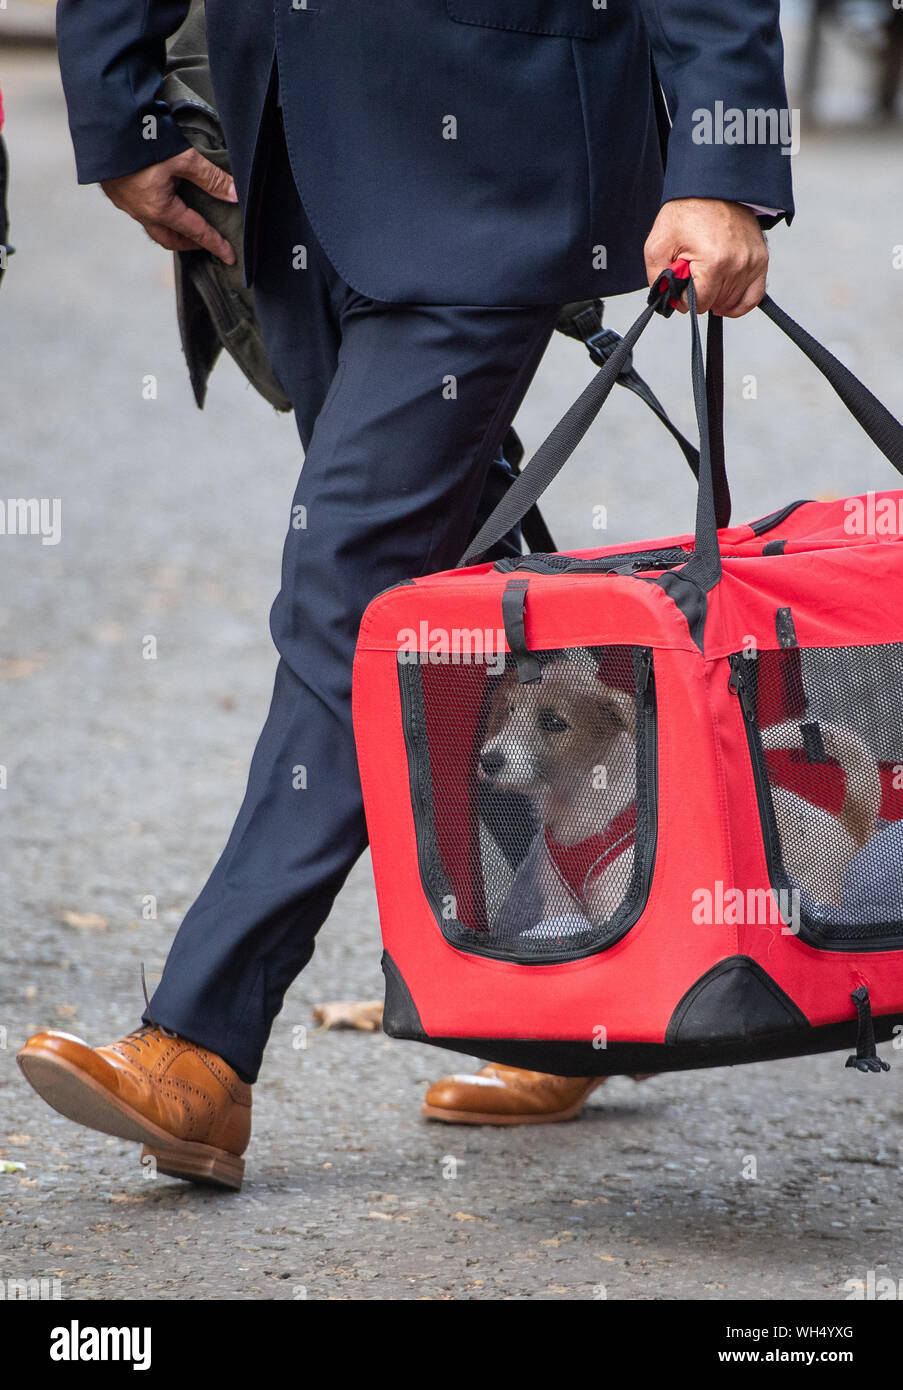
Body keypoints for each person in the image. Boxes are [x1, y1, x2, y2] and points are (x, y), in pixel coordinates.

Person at [19, 0, 794, 1189]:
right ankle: (571, 979)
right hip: (268, 145)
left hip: (505, 140)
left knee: (353, 580)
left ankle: (202, 1045)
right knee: (448, 565)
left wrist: (724, 158)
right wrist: (117, 98)